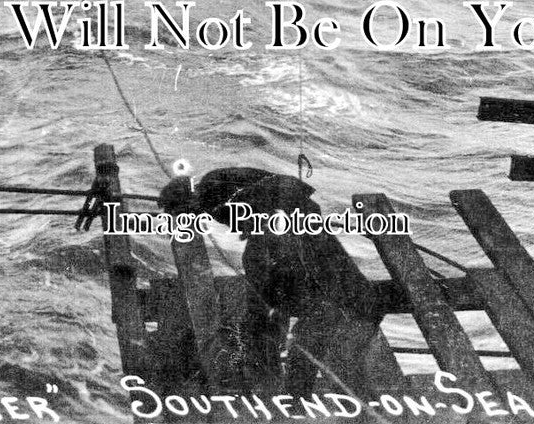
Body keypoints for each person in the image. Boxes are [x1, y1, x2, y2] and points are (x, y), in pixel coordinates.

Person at [159, 168, 397, 396]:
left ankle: (301, 406)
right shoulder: (213, 191)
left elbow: (261, 205)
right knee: (313, 345)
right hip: (296, 220)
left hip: (349, 310)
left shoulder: (215, 199)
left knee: (324, 355)